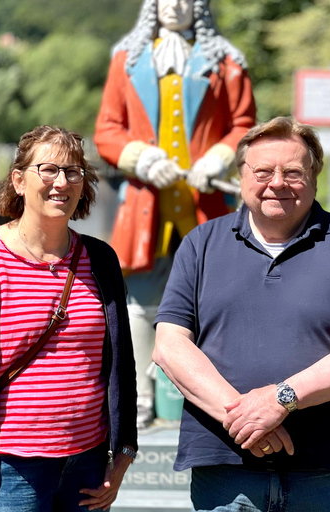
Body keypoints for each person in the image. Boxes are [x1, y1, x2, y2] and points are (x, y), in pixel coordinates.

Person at [152, 116, 330, 511]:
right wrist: (248, 419)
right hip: (225, 467)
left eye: (293, 172)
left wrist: (282, 399)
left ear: (315, 178)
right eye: (263, 170)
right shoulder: (201, 243)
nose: (278, 182)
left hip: (325, 471)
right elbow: (169, 346)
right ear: (241, 177)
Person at [0, 126, 138, 512]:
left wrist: (125, 448)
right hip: (7, 472)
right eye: (48, 169)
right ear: (19, 180)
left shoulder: (101, 260)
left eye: (73, 171)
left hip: (88, 468)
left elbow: (121, 365)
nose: (62, 181)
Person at [94, 0, 255, 428]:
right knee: (140, 306)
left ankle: (211, 400)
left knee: (215, 305)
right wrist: (142, 158)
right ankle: (140, 399)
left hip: (206, 208)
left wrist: (219, 158)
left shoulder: (225, 61)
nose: (176, 5)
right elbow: (108, 129)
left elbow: (244, 123)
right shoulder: (126, 61)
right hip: (148, 209)